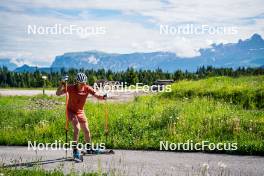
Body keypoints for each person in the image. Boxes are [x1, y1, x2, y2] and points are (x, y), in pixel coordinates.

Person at [56, 72, 106, 160]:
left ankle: (89, 148)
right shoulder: (71, 87)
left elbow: (97, 95)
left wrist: (103, 97)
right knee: (77, 128)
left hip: (80, 112)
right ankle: (75, 150)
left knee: (86, 130)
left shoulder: (87, 88)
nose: (83, 85)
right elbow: (58, 93)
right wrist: (62, 83)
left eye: (84, 83)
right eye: (81, 83)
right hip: (71, 111)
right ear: (77, 82)